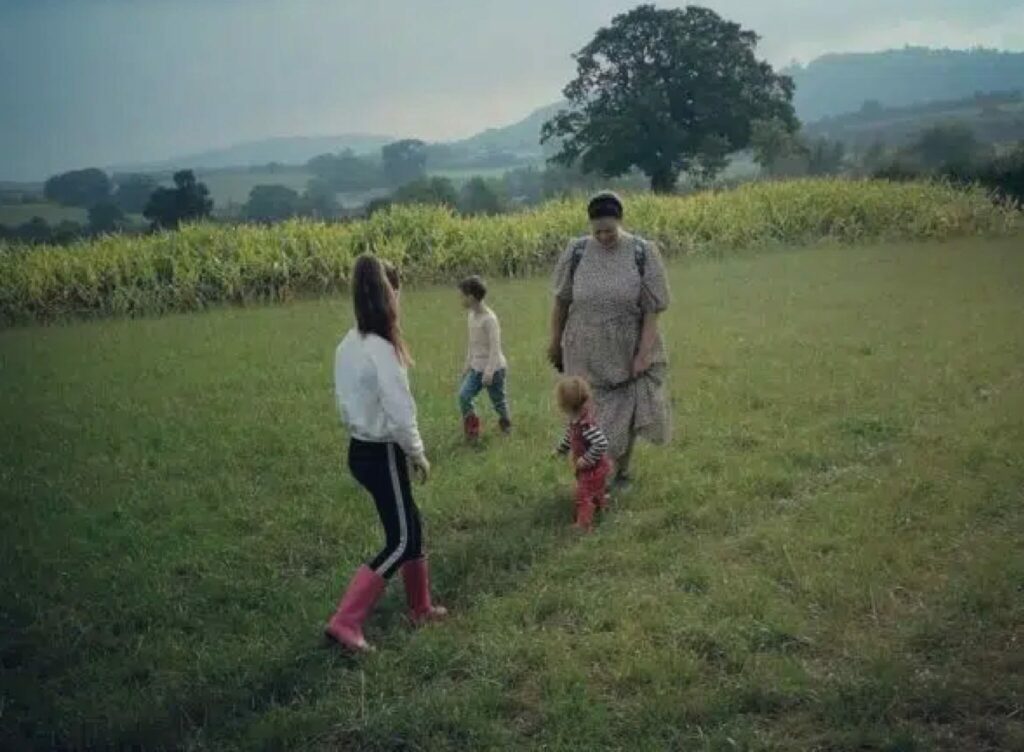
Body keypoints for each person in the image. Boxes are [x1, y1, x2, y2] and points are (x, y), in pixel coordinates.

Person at [326, 254, 446, 653]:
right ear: (390, 295)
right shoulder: (382, 349)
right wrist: (417, 452)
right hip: (383, 453)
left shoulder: (348, 343)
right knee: (401, 537)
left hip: (360, 448)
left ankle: (420, 607)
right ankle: (346, 621)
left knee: (411, 522)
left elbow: (346, 401)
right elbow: (399, 410)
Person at [547, 191, 672, 491]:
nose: (603, 236)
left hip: (624, 348)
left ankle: (620, 472)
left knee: (624, 411)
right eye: (597, 231)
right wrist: (555, 341)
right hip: (583, 348)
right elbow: (561, 302)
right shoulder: (576, 252)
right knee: (585, 414)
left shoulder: (642, 252)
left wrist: (643, 353)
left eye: (609, 230)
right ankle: (591, 474)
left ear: (620, 221)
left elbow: (653, 309)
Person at [457, 275, 511, 440]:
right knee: (464, 395)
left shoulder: (489, 319)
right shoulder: (471, 316)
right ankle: (472, 428)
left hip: (494, 369)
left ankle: (506, 423)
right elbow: (472, 344)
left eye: (462, 295)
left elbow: (495, 348)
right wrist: (467, 364)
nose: (460, 299)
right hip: (476, 368)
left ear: (471, 297)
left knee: (498, 400)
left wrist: (489, 371)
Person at [554, 376, 611, 532]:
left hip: (594, 469)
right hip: (590, 468)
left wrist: (586, 459)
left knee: (583, 495)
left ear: (565, 406)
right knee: (596, 489)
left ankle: (584, 525)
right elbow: (570, 436)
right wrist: (562, 449)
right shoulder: (575, 420)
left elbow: (602, 443)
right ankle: (602, 505)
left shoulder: (586, 426)